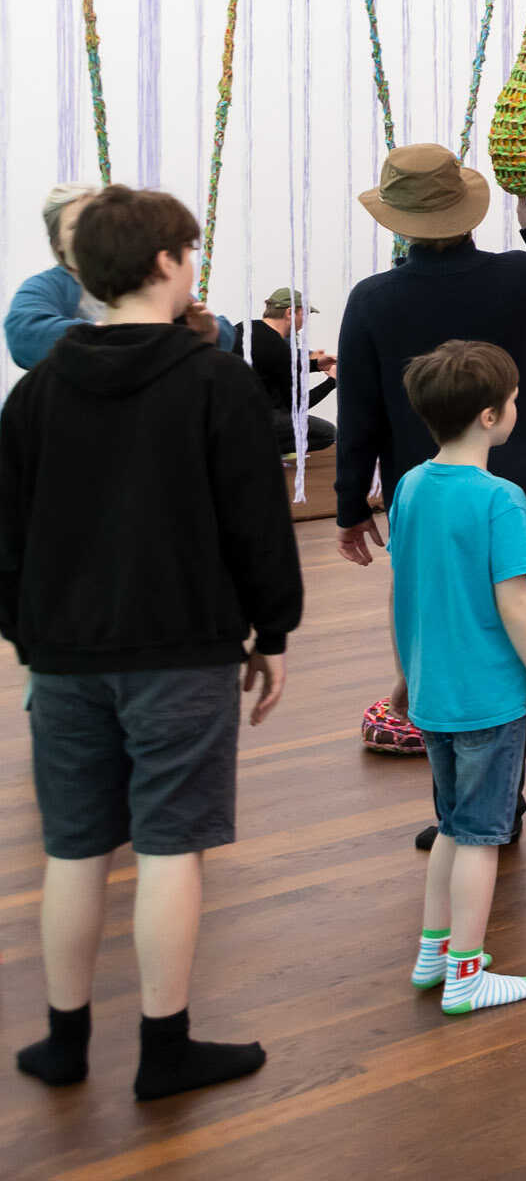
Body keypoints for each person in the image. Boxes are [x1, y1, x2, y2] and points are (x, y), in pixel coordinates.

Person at [1, 186, 299, 1098]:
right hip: (181, 650)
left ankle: (64, 1044)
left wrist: (29, 635)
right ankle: (164, 1051)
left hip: (65, 658)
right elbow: (256, 522)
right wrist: (272, 630)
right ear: (167, 262)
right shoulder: (213, 381)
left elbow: (8, 531)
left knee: (75, 848)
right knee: (170, 848)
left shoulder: (39, 389)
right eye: (189, 252)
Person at [334, 143, 526, 851]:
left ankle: (463, 807)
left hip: (420, 495)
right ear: (468, 210)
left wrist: (349, 508)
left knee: (438, 634)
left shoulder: (373, 299)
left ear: (399, 220)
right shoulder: (518, 277)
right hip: (519, 485)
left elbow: (357, 412)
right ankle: (496, 804)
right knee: (512, 628)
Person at [387, 341, 526, 1016]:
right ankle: (465, 974)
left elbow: (408, 590)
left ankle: (434, 953)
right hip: (489, 698)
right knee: (484, 836)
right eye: (515, 401)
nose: (518, 409)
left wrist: (402, 674)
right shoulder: (502, 500)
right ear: (491, 416)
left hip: (433, 692)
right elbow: (516, 601)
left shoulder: (408, 487)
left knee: (453, 825)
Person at [7, 181, 102, 371]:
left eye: (96, 221)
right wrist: (104, 332)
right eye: (75, 226)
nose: (89, 231)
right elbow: (24, 334)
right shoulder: (43, 287)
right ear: (57, 242)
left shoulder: (138, 279)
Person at [251, 288, 337, 455]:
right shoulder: (280, 348)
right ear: (290, 313)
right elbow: (298, 406)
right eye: (304, 315)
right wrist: (332, 382)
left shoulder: (244, 329)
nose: (304, 323)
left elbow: (272, 365)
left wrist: (315, 365)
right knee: (328, 433)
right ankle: (258, 451)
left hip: (232, 415)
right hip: (259, 418)